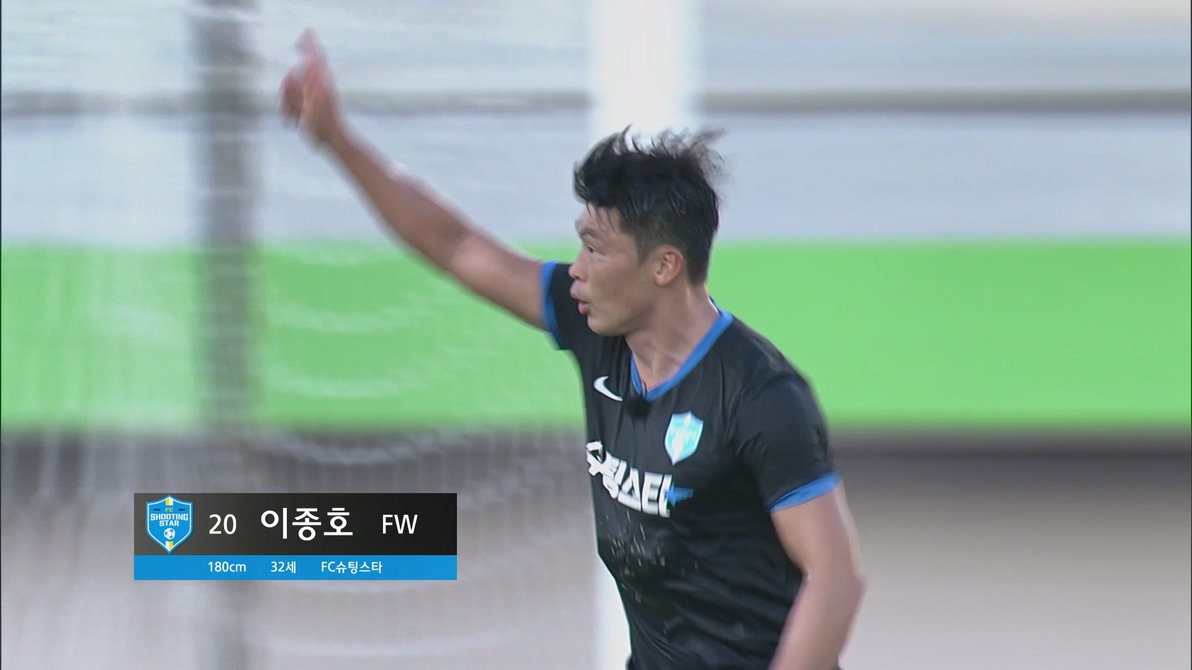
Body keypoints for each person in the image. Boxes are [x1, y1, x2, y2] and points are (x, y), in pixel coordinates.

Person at [281, 29, 865, 670]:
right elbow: (456, 245)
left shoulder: (759, 397)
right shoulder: (594, 326)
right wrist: (338, 140)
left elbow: (835, 578)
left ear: (664, 265)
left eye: (596, 249)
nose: (576, 271)